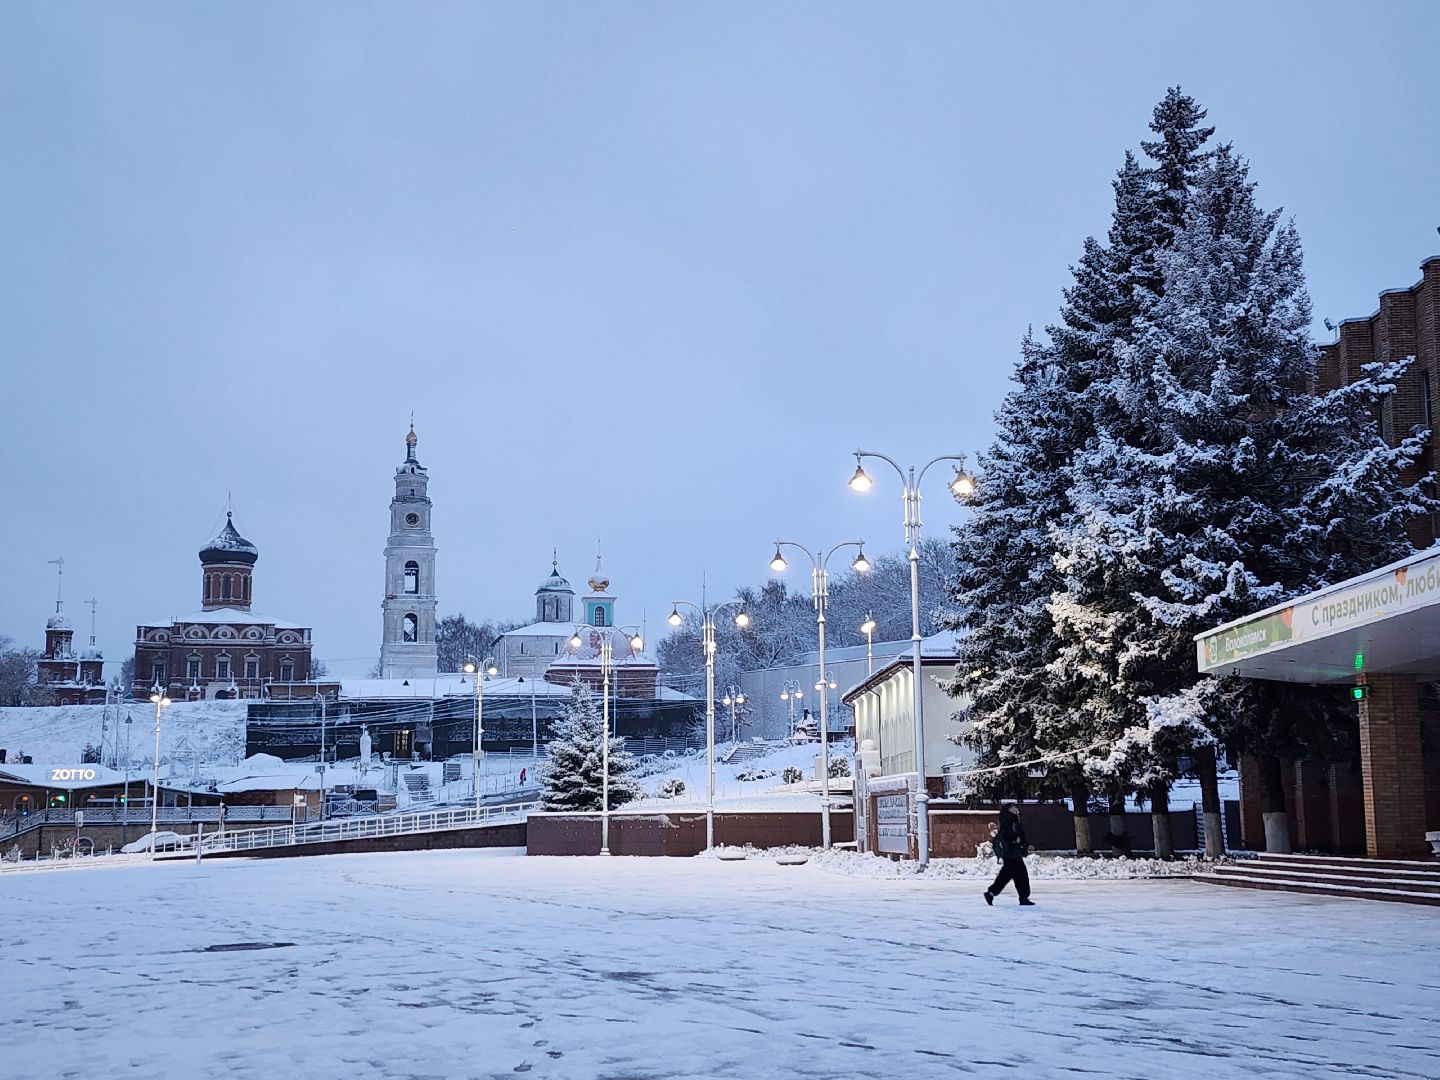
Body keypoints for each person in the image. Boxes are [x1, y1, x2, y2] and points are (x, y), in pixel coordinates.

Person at [984, 803, 1035, 906]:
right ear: (1009, 809)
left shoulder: (1010, 818)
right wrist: (1016, 840)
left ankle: (991, 893)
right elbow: (1007, 833)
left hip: (1011, 852)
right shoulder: (1008, 818)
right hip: (1012, 852)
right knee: (1020, 874)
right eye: (1014, 807)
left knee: (1007, 874)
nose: (1016, 809)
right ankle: (1023, 898)